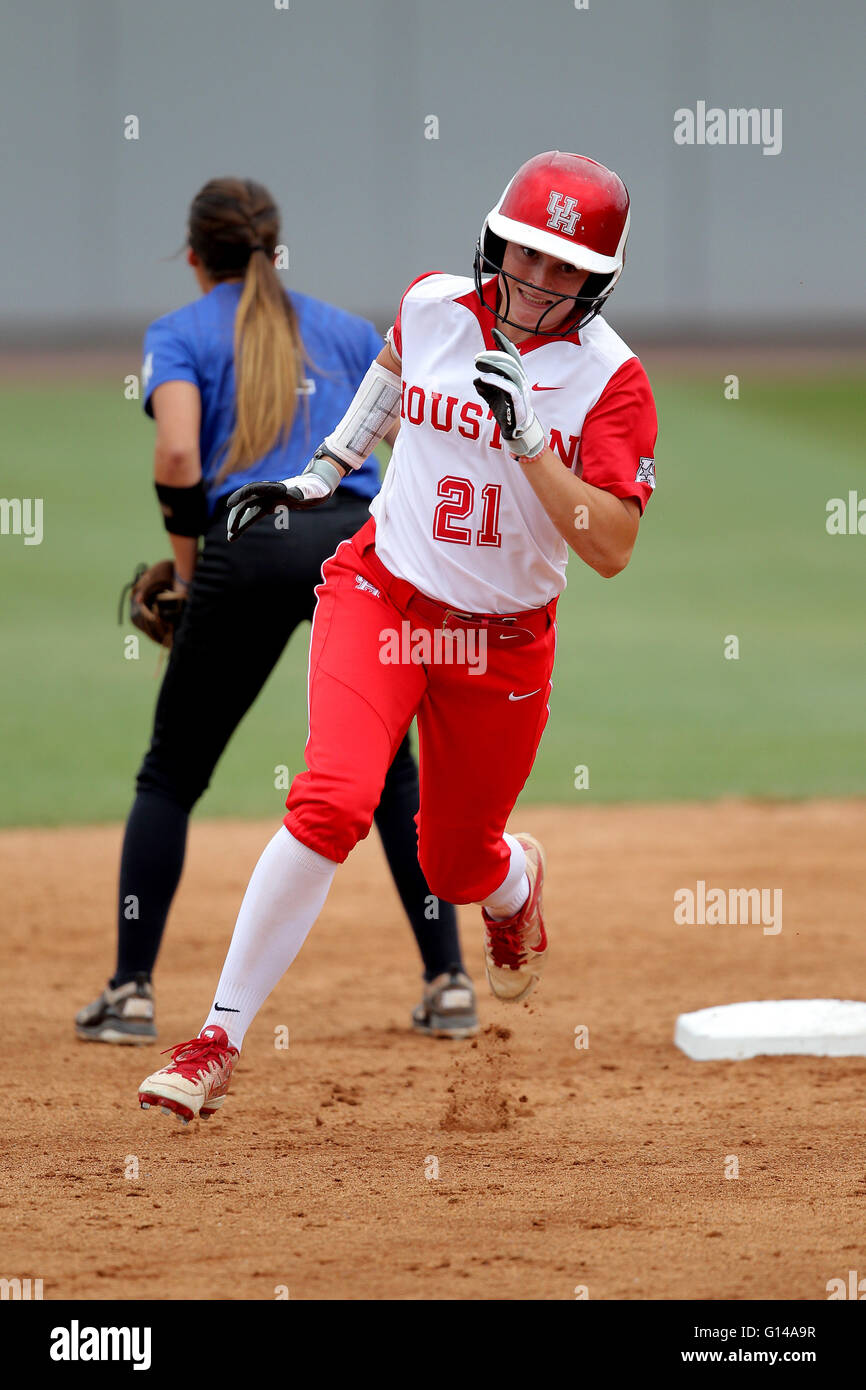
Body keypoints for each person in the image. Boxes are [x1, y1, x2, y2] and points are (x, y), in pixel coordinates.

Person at [137, 150, 658, 1124]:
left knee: (452, 866)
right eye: (520, 254)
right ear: (491, 242)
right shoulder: (432, 307)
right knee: (331, 800)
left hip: (499, 642)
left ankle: (510, 881)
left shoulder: (608, 382)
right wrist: (317, 476)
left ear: (595, 283)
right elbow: (385, 384)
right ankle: (215, 1040)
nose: (534, 280)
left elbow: (613, 546)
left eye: (561, 268)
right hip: (380, 594)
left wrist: (530, 445)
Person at [76, 176, 477, 1049]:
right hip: (359, 548)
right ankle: (448, 982)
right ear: (275, 248)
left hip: (247, 544)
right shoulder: (341, 327)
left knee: (172, 775)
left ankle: (133, 993)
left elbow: (179, 449)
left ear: (193, 256)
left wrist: (188, 571)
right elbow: (417, 442)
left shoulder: (179, 331)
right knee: (390, 774)